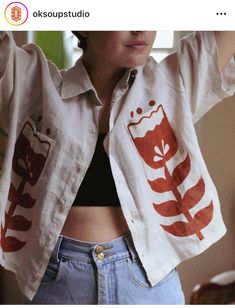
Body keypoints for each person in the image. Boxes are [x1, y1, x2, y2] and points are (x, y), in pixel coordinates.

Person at [0, 31, 235, 305]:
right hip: (61, 284)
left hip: (148, 284)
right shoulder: (32, 84)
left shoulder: (174, 82)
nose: (140, 28)